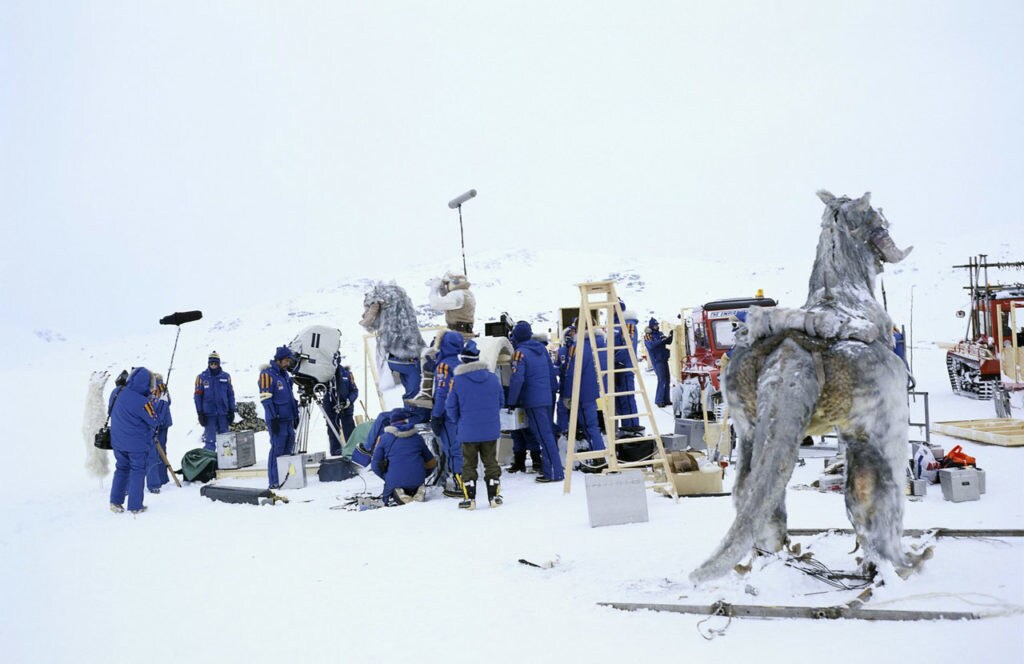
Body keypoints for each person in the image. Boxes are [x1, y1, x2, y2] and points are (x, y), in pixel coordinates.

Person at [446, 340, 505, 509]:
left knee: (469, 464)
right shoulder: (493, 378)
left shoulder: (457, 381)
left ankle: (470, 499)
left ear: (463, 360)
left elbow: (451, 407)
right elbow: (501, 402)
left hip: (468, 430)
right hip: (490, 429)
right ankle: (493, 497)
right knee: (491, 462)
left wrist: (459, 421)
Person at [407, 273, 477, 407]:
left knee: (428, 355)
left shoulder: (458, 295)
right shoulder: (467, 293)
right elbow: (447, 299)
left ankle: (426, 393)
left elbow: (436, 303)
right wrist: (443, 288)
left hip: (456, 335)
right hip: (465, 332)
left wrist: (434, 288)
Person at [508, 321, 563, 483]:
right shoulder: (541, 349)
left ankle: (553, 471)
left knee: (543, 435)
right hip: (546, 397)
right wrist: (552, 393)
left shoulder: (520, 353)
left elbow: (517, 379)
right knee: (547, 434)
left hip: (533, 400)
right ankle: (552, 468)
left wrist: (512, 401)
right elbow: (552, 374)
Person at [109, 367, 159, 514]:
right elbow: (155, 420)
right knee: (137, 471)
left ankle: (115, 502)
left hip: (117, 441)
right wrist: (157, 401)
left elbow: (110, 411)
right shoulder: (143, 402)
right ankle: (135, 506)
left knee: (121, 469)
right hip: (137, 444)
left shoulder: (116, 392)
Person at [371, 409, 437, 505]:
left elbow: (375, 465)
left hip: (395, 480)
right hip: (418, 479)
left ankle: (400, 493)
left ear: (391, 423)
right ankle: (417, 490)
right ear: (406, 421)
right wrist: (423, 474)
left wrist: (387, 477)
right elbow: (431, 462)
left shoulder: (384, 438)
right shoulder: (417, 437)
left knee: (392, 485)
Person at [562, 325, 607, 464]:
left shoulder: (579, 347)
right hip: (594, 391)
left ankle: (599, 457)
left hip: (581, 393)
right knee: (593, 426)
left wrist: (567, 395)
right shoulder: (600, 345)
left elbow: (572, 374)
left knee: (589, 426)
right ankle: (599, 455)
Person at [429, 331, 465, 496]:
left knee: (452, 449)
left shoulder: (444, 366)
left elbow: (442, 393)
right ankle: (465, 481)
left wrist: (436, 416)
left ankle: (459, 485)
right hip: (461, 412)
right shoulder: (461, 362)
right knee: (460, 448)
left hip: (447, 415)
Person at [259, 346, 299, 489]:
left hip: (288, 419)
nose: (288, 363)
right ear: (279, 360)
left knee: (288, 448)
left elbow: (291, 397)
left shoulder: (285, 375)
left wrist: (296, 415)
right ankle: (274, 480)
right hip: (277, 420)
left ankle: (285, 478)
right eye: (287, 360)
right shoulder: (267, 374)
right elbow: (265, 399)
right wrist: (273, 417)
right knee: (277, 449)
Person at [194, 351, 236, 451]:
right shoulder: (201, 378)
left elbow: (230, 395)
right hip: (209, 415)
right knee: (210, 441)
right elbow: (197, 397)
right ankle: (210, 463)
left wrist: (231, 410)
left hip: (223, 414)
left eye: (215, 363)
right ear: (208, 364)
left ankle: (226, 463)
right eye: (211, 363)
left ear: (218, 363)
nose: (213, 365)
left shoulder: (226, 377)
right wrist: (200, 413)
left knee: (225, 441)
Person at [614, 300, 640, 431]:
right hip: (616, 368)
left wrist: (612, 359)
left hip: (624, 367)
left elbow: (628, 347)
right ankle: (626, 429)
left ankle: (632, 429)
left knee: (627, 399)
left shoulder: (628, 324)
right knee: (619, 401)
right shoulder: (613, 324)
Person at [325, 355, 359, 456]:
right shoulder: (325, 375)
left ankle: (352, 451)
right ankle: (336, 452)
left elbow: (354, 391)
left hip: (346, 409)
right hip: (331, 409)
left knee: (350, 431)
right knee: (332, 431)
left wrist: (349, 401)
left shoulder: (347, 374)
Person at [147, 373, 172, 493]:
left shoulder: (154, 390)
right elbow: (167, 403)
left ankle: (159, 479)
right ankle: (163, 479)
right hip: (163, 424)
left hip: (158, 424)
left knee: (155, 453)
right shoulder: (163, 389)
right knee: (161, 451)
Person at [644, 318, 673, 407]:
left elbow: (667, 342)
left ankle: (666, 399)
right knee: (662, 380)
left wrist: (670, 336)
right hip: (657, 360)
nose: (657, 326)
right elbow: (651, 345)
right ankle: (659, 400)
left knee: (667, 380)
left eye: (657, 325)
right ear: (652, 326)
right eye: (655, 325)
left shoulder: (660, 334)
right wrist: (661, 341)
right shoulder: (648, 335)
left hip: (663, 358)